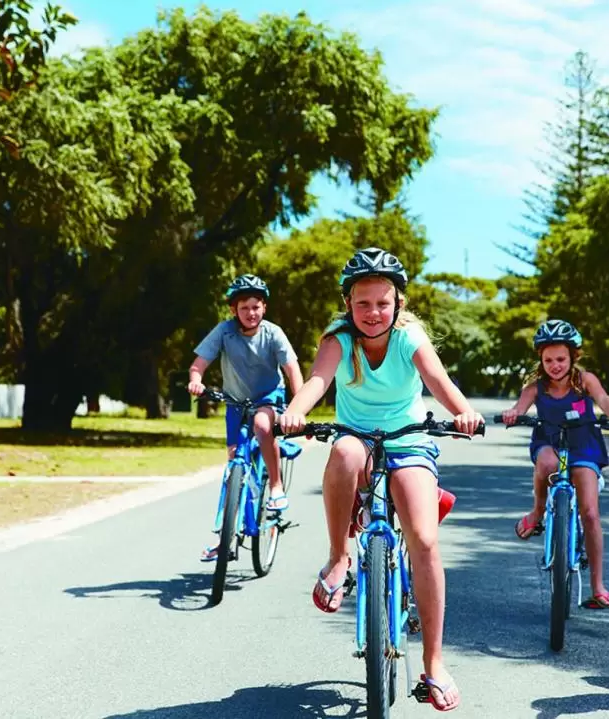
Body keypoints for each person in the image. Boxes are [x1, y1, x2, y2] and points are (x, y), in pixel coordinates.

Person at [278, 247, 483, 713]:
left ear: (399, 304)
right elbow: (317, 380)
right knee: (345, 452)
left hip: (409, 440)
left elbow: (440, 383)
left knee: (425, 541)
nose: (373, 313)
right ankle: (337, 559)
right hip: (358, 438)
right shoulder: (338, 339)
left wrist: (464, 413)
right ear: (348, 304)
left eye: (383, 303)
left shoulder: (409, 338)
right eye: (363, 303)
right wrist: (296, 410)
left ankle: (433, 663)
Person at [500, 319, 609, 610]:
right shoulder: (535, 388)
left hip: (583, 445)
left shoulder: (585, 380)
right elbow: (520, 407)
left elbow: (604, 399)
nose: (555, 365)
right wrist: (513, 414)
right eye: (548, 359)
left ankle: (597, 586)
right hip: (550, 442)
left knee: (590, 512)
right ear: (541, 359)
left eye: (561, 359)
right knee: (546, 462)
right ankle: (538, 512)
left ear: (573, 356)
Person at [187, 274, 303, 560]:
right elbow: (198, 365)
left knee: (263, 426)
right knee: (233, 469)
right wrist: (196, 380)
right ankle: (226, 536)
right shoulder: (224, 332)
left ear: (264, 307)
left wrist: (299, 409)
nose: (250, 313)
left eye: (256, 307)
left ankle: (275, 486)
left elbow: (292, 371)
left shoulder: (273, 333)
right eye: (244, 308)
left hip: (267, 399)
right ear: (233, 310)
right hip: (235, 404)